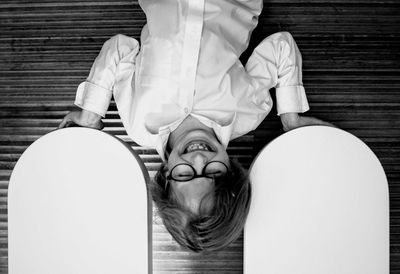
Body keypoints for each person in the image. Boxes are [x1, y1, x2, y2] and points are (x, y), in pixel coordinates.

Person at [58, 0, 333, 252]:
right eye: (213, 172)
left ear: (165, 176)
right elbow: (281, 46)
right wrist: (290, 118)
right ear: (233, 170)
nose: (199, 158)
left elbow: (121, 47)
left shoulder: (138, 123)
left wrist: (91, 113)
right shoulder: (247, 112)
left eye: (186, 175)